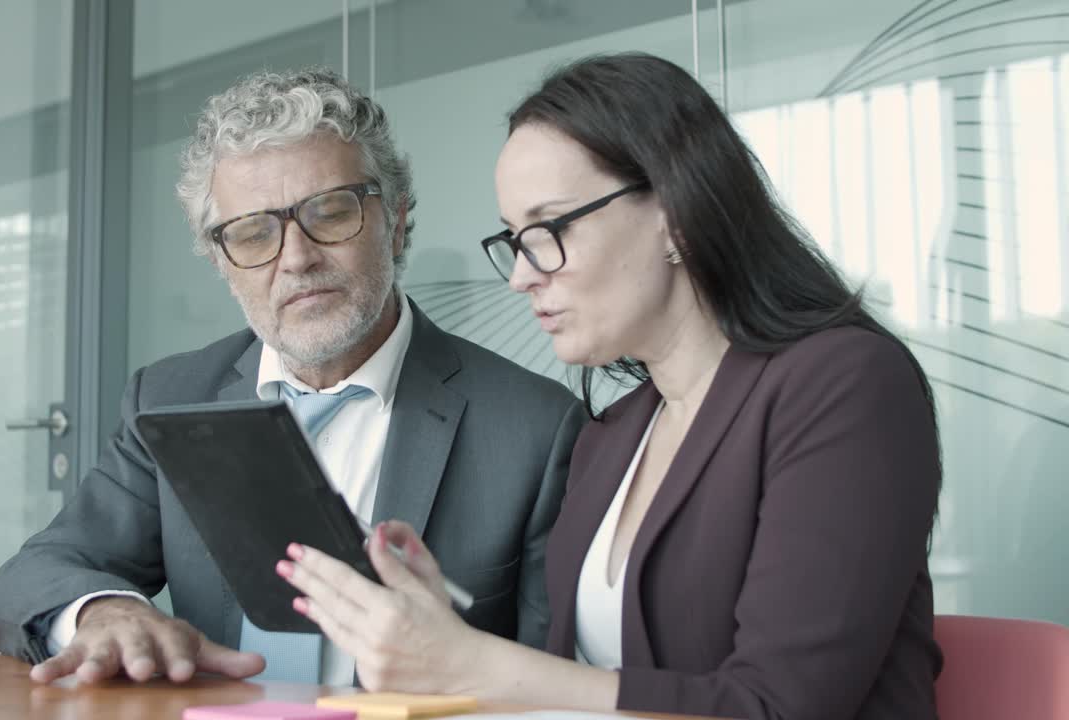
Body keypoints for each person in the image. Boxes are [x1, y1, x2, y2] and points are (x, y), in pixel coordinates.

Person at [277, 53, 943, 719]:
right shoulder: (612, 437)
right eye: (514, 239)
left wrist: (475, 664)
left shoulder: (845, 386)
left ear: (676, 214)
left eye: (548, 230)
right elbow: (576, 684)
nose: (522, 275)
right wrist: (444, 629)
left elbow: (779, 706)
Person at [0, 67, 583, 688]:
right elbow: (37, 573)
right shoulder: (169, 399)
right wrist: (103, 612)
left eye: (330, 213)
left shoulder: (535, 427)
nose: (296, 259)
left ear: (397, 219)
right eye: (253, 233)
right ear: (221, 261)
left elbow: (551, 677)